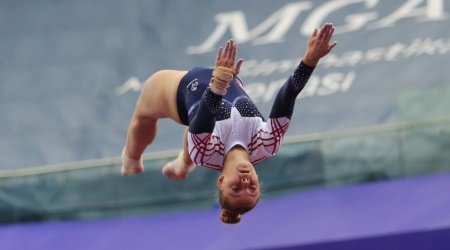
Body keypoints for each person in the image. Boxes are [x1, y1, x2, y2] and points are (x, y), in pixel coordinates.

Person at [121, 23, 337, 224]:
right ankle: (183, 164)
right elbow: (287, 97)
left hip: (180, 90)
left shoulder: (205, 154)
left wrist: (219, 83)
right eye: (252, 188)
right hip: (224, 84)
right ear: (257, 179)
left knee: (144, 116)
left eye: (235, 189)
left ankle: (131, 160)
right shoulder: (267, 144)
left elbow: (203, 120)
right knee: (198, 136)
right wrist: (309, 62)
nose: (245, 183)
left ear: (221, 181)